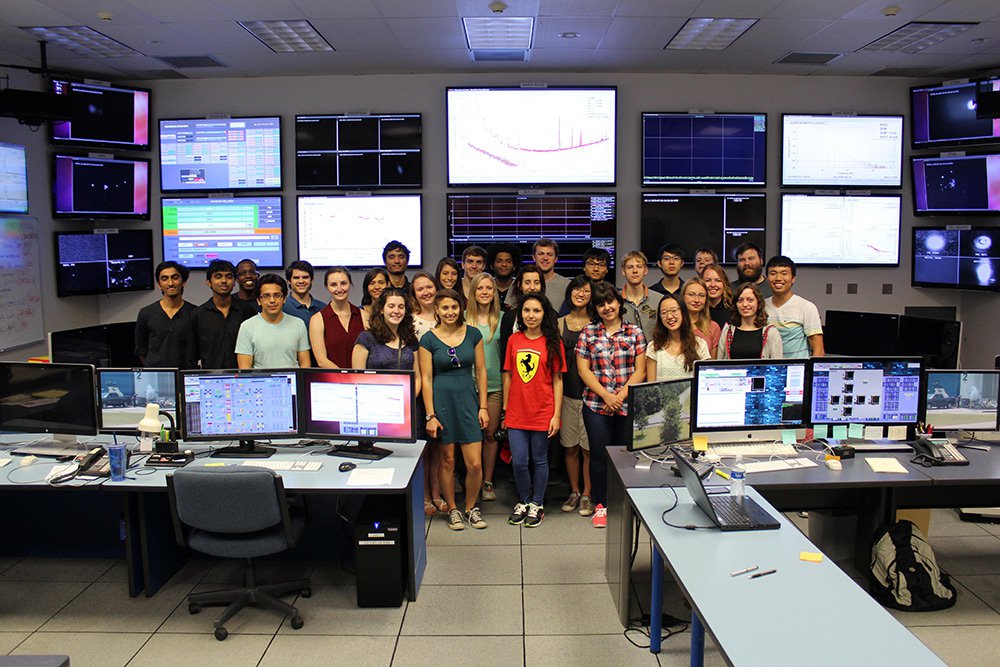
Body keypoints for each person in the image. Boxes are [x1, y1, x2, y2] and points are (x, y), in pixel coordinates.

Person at [575, 282, 646, 528]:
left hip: (627, 404)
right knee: (599, 456)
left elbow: (641, 370)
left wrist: (620, 396)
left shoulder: (635, 332)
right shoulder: (588, 332)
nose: (607, 307)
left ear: (619, 303)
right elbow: (583, 370)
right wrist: (606, 396)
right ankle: (601, 505)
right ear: (596, 308)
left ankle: (626, 503)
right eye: (601, 304)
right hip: (596, 404)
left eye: (610, 302)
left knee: (627, 457)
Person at [419, 289, 490, 531]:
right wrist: (430, 415)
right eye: (445, 308)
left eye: (454, 307)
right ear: (437, 310)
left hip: (469, 403)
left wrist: (483, 406)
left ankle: (471, 507)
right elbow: (426, 379)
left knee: (475, 464)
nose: (450, 312)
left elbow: (481, 371)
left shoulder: (473, 334)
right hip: (442, 404)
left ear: (461, 308)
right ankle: (452, 508)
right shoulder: (428, 340)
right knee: (447, 461)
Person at [503, 293, 565, 528]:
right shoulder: (514, 340)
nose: (531, 315)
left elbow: (558, 380)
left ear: (544, 314)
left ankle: (537, 504)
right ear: (521, 314)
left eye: (536, 311)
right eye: (527, 311)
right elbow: (508, 375)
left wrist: (556, 415)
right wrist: (506, 409)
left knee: (539, 460)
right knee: (519, 461)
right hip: (517, 412)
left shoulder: (553, 342)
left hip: (543, 411)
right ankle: (524, 500)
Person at [557, 276, 594, 517]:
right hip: (566, 394)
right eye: (576, 289)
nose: (580, 293)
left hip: (592, 395)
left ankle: (588, 494)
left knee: (588, 449)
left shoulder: (597, 323)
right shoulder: (559, 323)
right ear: (569, 293)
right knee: (570, 447)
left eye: (585, 290)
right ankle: (574, 491)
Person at [466, 273, 503, 503]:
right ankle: (472, 479)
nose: (485, 292)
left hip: (495, 386)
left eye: (489, 288)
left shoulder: (504, 319)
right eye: (480, 288)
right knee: (471, 436)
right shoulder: (460, 318)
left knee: (490, 434)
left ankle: (487, 481)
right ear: (473, 291)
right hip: (467, 386)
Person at [189, 259, 256, 369]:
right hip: (209, 379)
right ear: (208, 282)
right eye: (218, 276)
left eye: (229, 276)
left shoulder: (247, 312)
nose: (224, 280)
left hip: (243, 378)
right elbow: (191, 355)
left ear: (234, 282)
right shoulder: (198, 315)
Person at [235, 274, 311, 369]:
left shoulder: (298, 324)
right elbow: (245, 369)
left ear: (284, 299)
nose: (272, 300)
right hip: (261, 382)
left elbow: (305, 364)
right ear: (259, 300)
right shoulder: (247, 327)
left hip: (292, 381)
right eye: (266, 296)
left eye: (277, 295)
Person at [135, 261, 197, 368]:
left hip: (185, 376)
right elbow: (141, 350)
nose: (170, 283)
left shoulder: (195, 313)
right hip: (156, 377)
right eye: (164, 279)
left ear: (183, 282)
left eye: (175, 277)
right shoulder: (146, 313)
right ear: (159, 284)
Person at [764, 256, 824, 358]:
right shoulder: (761, 306)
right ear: (767, 278)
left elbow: (818, 350)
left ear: (793, 279)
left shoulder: (807, 307)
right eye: (773, 273)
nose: (778, 278)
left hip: (797, 370)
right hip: (770, 370)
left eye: (784, 273)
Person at [645, 293, 710, 381]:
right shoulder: (653, 347)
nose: (669, 316)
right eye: (664, 313)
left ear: (683, 312)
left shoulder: (700, 345)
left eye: (674, 311)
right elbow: (651, 387)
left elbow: (705, 382)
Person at [309, 267, 363, 368]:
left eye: (343, 283)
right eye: (333, 285)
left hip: (361, 380)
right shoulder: (317, 320)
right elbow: (321, 361)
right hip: (332, 381)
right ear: (327, 287)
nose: (339, 289)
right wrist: (345, 378)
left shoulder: (364, 316)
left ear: (350, 284)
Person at [718, 282, 783, 360]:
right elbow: (719, 363)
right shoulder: (727, 332)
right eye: (740, 300)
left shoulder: (771, 333)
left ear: (758, 303)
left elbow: (778, 365)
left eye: (750, 300)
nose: (745, 304)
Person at [499, 264, 545, 362]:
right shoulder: (509, 317)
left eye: (536, 283)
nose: (532, 287)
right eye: (527, 283)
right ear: (520, 285)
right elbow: (504, 358)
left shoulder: (551, 315)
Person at [511, 238, 569, 312]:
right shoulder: (518, 283)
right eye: (541, 254)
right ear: (534, 257)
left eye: (549, 254)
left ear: (556, 259)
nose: (545, 258)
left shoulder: (567, 285)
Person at [620, 250, 657, 340]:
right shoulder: (615, 300)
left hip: (653, 352)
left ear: (645, 270)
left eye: (639, 267)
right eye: (630, 267)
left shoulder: (659, 300)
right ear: (623, 271)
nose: (635, 271)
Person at [682, 277, 721, 359]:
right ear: (683, 297)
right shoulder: (674, 326)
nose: (696, 300)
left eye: (701, 295)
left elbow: (713, 363)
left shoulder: (713, 327)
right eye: (691, 295)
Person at [283, 260, 326, 327]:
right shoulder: (282, 308)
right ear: (289, 281)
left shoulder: (323, 308)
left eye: (305, 277)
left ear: (312, 280)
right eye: (296, 278)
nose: (301, 281)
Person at [409, 271, 439, 341]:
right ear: (414, 294)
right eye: (420, 289)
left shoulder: (447, 316)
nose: (426, 292)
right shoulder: (410, 321)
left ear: (436, 289)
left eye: (429, 287)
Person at [703, 263, 734, 329]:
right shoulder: (697, 310)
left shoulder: (733, 309)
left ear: (724, 284)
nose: (713, 285)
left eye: (718, 280)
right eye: (708, 280)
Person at [488, 242, 519, 308]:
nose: (504, 264)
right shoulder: (486, 287)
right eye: (499, 261)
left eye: (508, 261)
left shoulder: (519, 288)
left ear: (514, 266)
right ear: (492, 265)